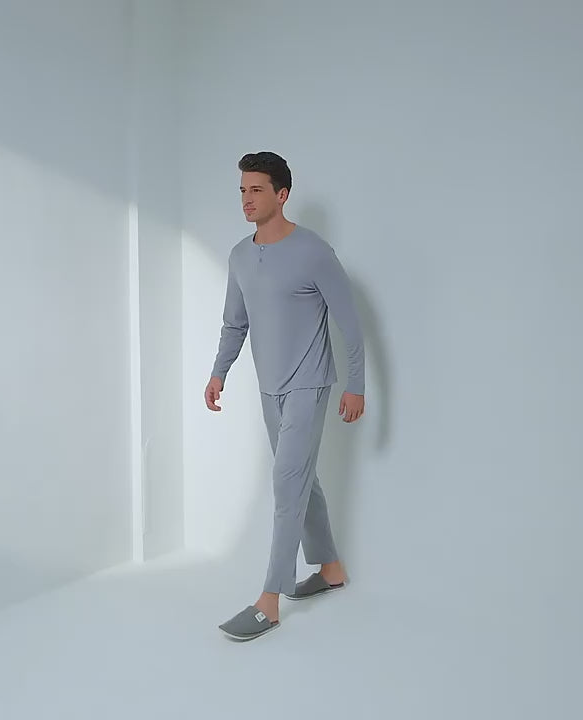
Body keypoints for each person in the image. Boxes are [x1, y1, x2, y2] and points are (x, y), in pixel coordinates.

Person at [205, 151, 365, 641]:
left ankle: (269, 601)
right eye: (242, 190)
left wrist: (356, 385)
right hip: (268, 387)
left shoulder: (313, 251)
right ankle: (331, 568)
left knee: (285, 481)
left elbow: (349, 321)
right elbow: (235, 323)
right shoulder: (239, 255)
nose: (247, 199)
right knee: (301, 479)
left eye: (256, 190)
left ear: (282, 194)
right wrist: (218, 373)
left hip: (309, 384)